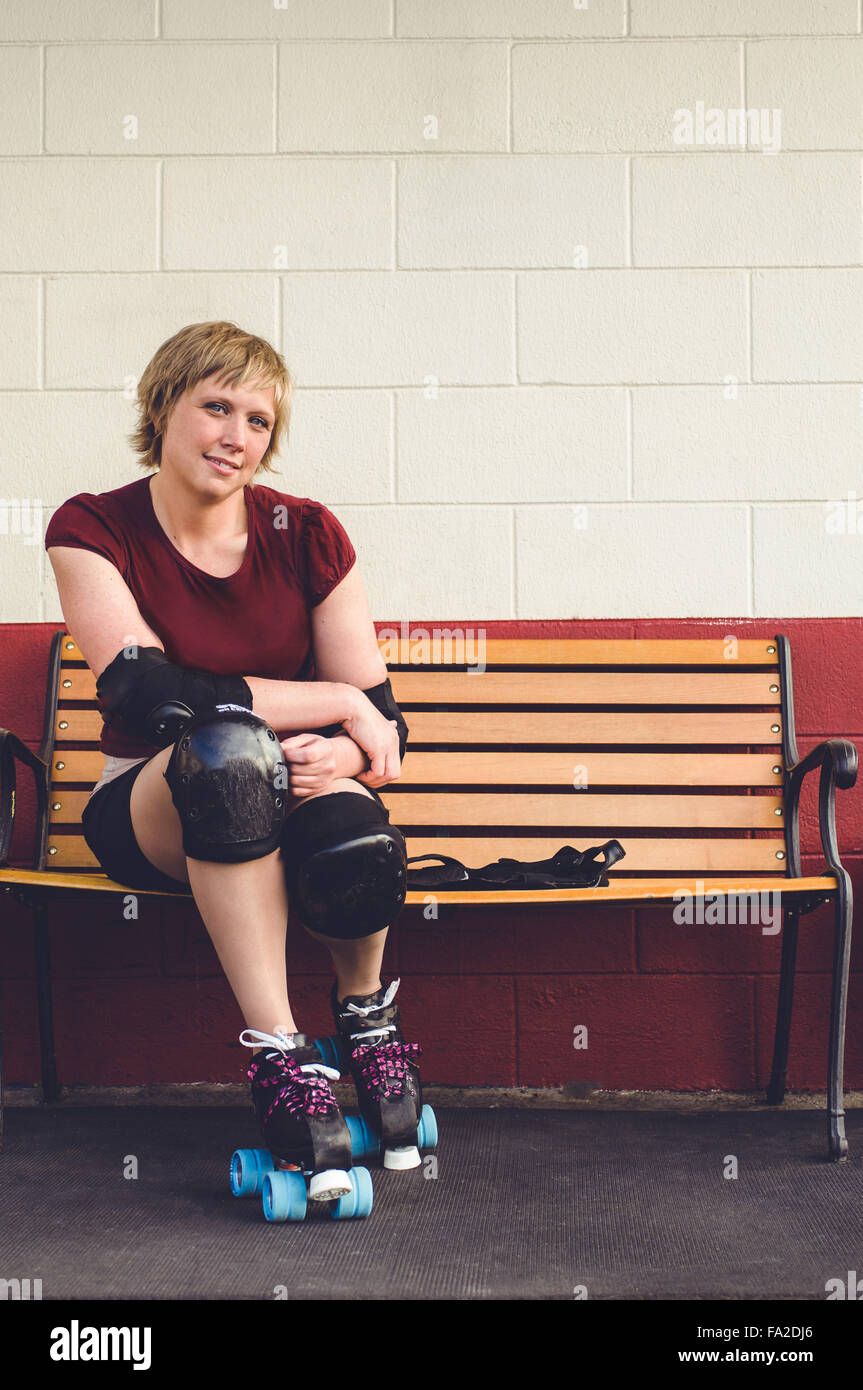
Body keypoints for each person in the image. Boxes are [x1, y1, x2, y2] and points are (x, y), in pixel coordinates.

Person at [44, 320, 424, 1202]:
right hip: (154, 806)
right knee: (222, 753)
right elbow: (151, 697)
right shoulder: (91, 525)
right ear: (162, 405)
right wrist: (331, 703)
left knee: (354, 832)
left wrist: (343, 747)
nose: (235, 436)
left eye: (258, 420)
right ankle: (281, 1056)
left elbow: (384, 720)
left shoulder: (308, 534)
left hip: (286, 792)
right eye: (216, 406)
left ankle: (367, 1024)